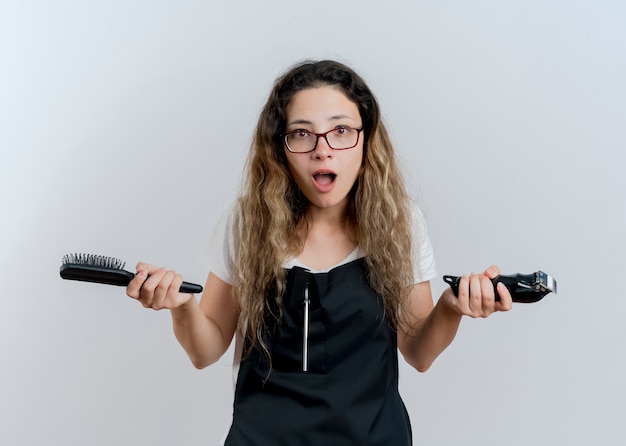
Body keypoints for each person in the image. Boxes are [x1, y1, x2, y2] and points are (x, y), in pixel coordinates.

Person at [126, 60, 513, 445]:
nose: (322, 151)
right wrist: (181, 308)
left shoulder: (400, 222)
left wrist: (450, 307)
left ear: (366, 140)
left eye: (341, 131)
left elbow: (418, 352)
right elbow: (204, 350)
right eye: (302, 133)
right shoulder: (248, 220)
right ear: (280, 146)